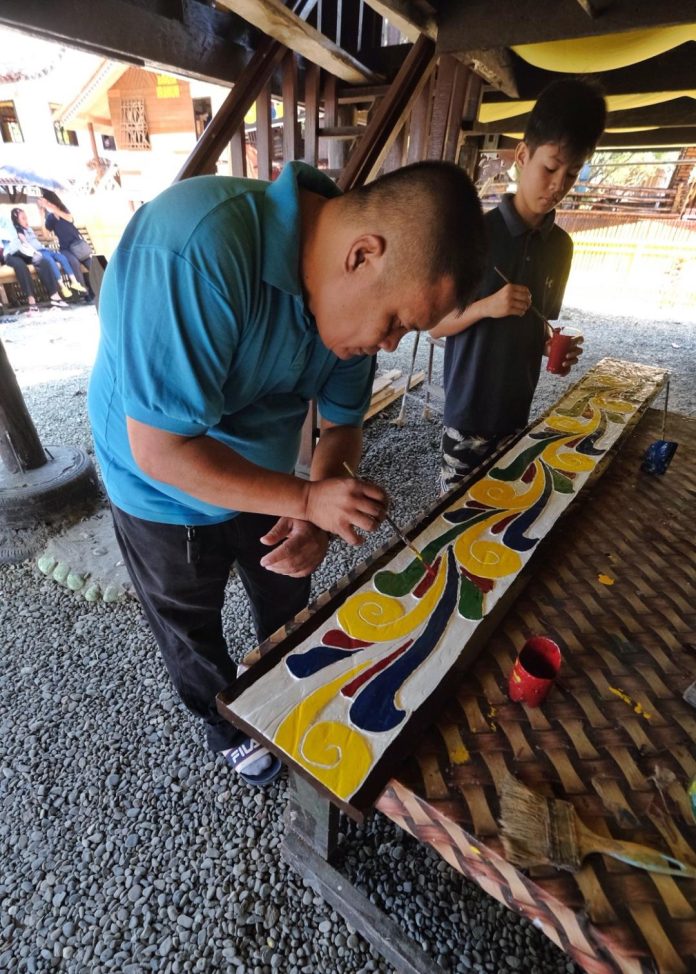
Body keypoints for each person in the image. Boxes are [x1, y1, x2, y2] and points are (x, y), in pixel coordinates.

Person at [87, 160, 486, 786]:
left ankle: (284, 685)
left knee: (288, 587)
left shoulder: (343, 310)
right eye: (396, 324)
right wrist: (306, 496)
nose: (388, 346)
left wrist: (321, 511)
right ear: (363, 256)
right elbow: (163, 450)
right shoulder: (197, 249)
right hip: (157, 489)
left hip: (268, 472)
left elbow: (345, 423)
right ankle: (224, 723)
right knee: (188, 621)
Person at [430, 78, 607, 493]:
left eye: (573, 173)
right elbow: (435, 326)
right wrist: (485, 307)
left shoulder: (560, 247)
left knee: (505, 514)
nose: (558, 184)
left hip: (516, 413)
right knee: (452, 518)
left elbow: (539, 324)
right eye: (550, 167)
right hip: (467, 415)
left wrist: (553, 348)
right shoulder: (473, 234)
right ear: (523, 156)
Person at [7, 207, 83, 303]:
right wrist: (34, 251)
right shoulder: (18, 230)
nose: (26, 220)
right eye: (23, 218)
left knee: (62, 257)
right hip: (38, 253)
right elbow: (24, 241)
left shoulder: (29, 228)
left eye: (26, 217)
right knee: (50, 261)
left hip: (45, 249)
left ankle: (74, 282)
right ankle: (62, 287)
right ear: (17, 221)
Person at [1, 212, 70, 313]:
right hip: (9, 254)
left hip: (20, 249)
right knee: (20, 266)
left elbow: (14, 237)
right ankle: (31, 301)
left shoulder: (4, 219)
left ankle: (55, 296)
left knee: (40, 259)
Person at [38, 192, 94, 299]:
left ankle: (100, 289)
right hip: (66, 249)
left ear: (52, 201)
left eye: (48, 202)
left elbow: (70, 219)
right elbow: (45, 235)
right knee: (74, 263)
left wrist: (49, 206)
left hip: (78, 246)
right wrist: (41, 215)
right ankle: (84, 293)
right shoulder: (50, 218)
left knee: (92, 264)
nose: (47, 205)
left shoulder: (64, 211)